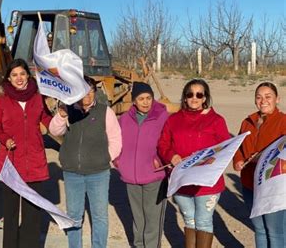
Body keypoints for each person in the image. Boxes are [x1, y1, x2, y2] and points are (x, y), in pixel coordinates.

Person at [49, 76, 122, 248]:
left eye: (91, 92)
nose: (88, 96)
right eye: (84, 92)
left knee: (99, 216)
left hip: (99, 174)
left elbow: (116, 140)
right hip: (73, 173)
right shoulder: (69, 110)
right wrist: (60, 115)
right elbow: (54, 130)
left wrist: (105, 158)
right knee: (74, 216)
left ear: (95, 93)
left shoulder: (105, 112)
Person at [0, 58, 53, 248]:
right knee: (11, 214)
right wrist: (4, 138)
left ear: (28, 75)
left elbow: (48, 122)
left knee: (32, 214)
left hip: (34, 162)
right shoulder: (0, 99)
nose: (19, 78)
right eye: (14, 75)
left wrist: (61, 118)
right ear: (8, 78)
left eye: (22, 74)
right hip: (11, 164)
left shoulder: (37, 97)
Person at [157, 78, 230, 248]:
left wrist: (209, 159)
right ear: (184, 97)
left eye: (199, 94)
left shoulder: (216, 120)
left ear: (205, 98)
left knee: (203, 221)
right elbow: (163, 144)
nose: (194, 98)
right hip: (182, 180)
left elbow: (225, 149)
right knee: (189, 220)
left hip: (206, 182)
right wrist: (171, 155)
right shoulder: (173, 119)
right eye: (190, 94)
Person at [233, 82, 286, 248]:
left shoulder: (283, 121)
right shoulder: (247, 122)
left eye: (268, 97)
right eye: (259, 97)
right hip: (250, 184)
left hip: (273, 186)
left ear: (277, 99)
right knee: (260, 229)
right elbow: (238, 148)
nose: (263, 101)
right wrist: (238, 161)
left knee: (275, 230)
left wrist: (263, 157)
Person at [117, 82, 169, 248]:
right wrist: (119, 162)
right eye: (141, 99)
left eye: (149, 98)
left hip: (155, 176)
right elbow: (114, 142)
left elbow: (170, 142)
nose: (146, 102)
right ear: (134, 101)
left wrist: (161, 161)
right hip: (131, 177)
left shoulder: (163, 117)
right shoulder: (124, 120)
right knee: (138, 219)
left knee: (152, 219)